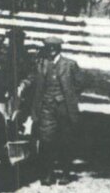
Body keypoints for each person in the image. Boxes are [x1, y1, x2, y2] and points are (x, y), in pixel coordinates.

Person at [32, 35, 83, 184]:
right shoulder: (41, 64)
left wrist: (70, 95)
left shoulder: (70, 65)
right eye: (49, 48)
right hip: (46, 107)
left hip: (64, 108)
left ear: (59, 49)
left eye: (54, 48)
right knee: (46, 140)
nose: (51, 51)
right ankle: (48, 174)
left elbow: (80, 83)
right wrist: (23, 85)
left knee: (65, 140)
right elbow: (32, 79)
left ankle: (66, 173)